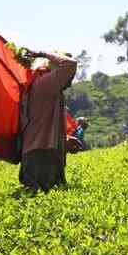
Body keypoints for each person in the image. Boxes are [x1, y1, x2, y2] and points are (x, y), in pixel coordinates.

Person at [18, 49, 77, 192]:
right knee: (43, 196)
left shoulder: (42, 81)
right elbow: (70, 64)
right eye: (70, 77)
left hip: (39, 151)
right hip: (41, 154)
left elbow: (44, 121)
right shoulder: (46, 83)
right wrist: (42, 53)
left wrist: (64, 139)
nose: (70, 81)